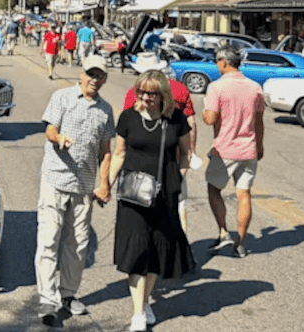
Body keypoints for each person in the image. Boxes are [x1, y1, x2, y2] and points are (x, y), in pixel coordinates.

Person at [107, 70, 195, 331]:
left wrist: (176, 181)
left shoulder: (176, 119)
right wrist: (106, 185)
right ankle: (137, 314)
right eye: (142, 92)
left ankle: (145, 303)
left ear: (163, 95)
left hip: (164, 194)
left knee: (156, 251)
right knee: (136, 251)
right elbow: (119, 154)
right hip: (133, 195)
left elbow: (184, 155)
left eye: (152, 93)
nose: (146, 98)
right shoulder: (128, 118)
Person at [34, 55, 115, 326]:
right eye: (90, 73)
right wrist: (59, 138)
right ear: (82, 74)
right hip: (55, 180)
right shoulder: (62, 97)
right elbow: (49, 130)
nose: (94, 79)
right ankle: (47, 298)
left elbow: (106, 152)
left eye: (99, 75)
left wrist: (104, 184)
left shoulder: (106, 110)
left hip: (84, 186)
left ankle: (67, 295)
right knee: (48, 239)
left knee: (78, 244)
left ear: (104, 79)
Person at [203, 46, 265, 258]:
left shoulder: (217, 87)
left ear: (223, 62)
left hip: (225, 148)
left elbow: (210, 118)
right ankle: (241, 241)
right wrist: (260, 145)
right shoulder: (255, 87)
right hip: (248, 148)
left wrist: (205, 113)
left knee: (213, 189)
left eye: (216, 61)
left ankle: (223, 231)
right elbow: (259, 120)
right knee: (244, 194)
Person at [124, 77, 199, 231]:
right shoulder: (180, 88)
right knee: (179, 206)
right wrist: (192, 150)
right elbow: (191, 121)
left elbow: (129, 124)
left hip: (143, 162)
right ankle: (181, 247)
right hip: (173, 162)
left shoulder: (135, 91)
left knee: (142, 211)